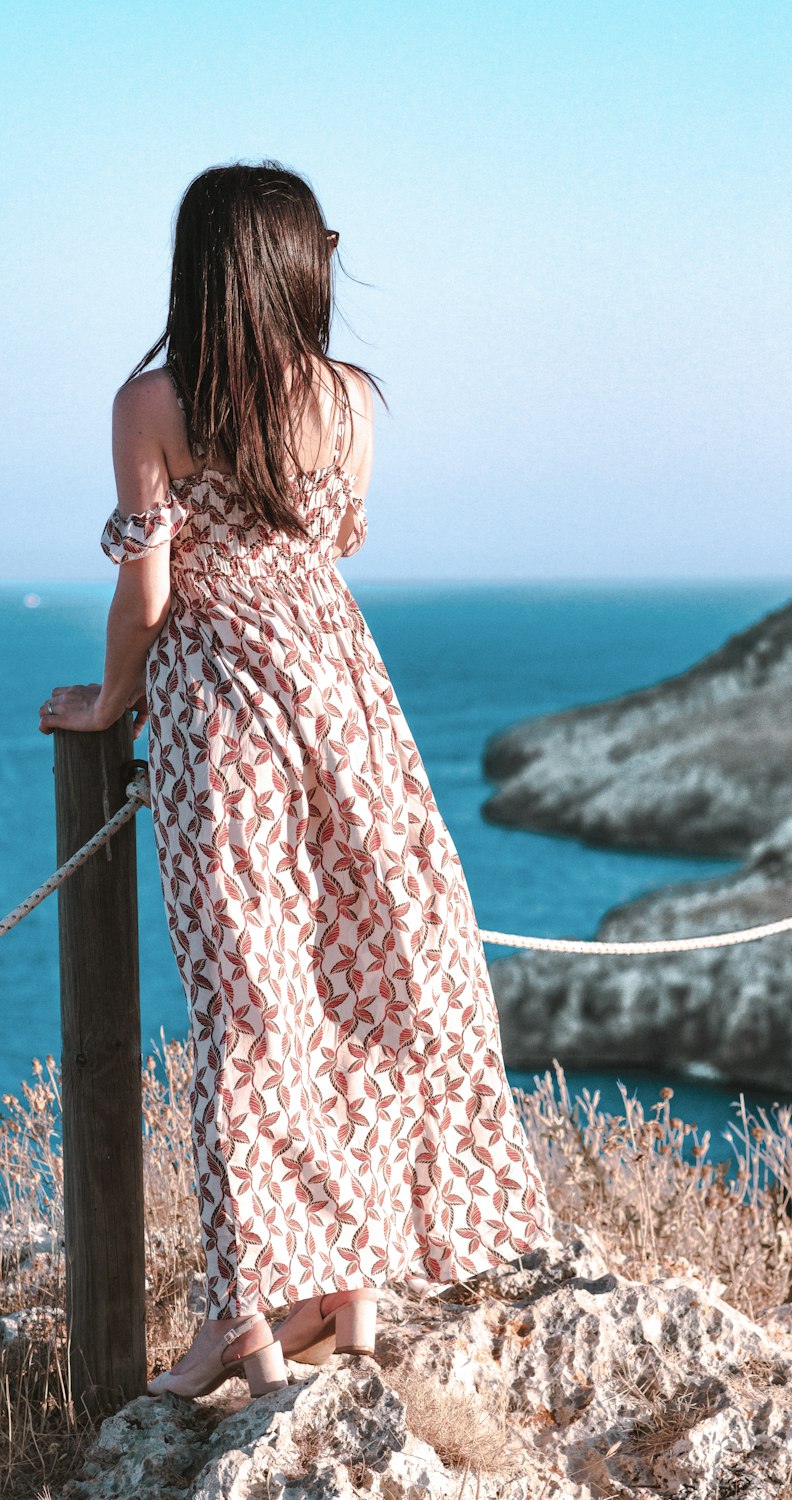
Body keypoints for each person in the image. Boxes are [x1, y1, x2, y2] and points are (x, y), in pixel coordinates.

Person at [38, 161, 554, 1400]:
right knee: (365, 991)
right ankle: (348, 1296)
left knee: (249, 1018)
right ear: (292, 265)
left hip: (229, 726)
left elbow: (152, 593)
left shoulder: (150, 402)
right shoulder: (353, 400)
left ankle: (247, 1326)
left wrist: (113, 703)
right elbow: (324, 554)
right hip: (353, 713)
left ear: (200, 268)